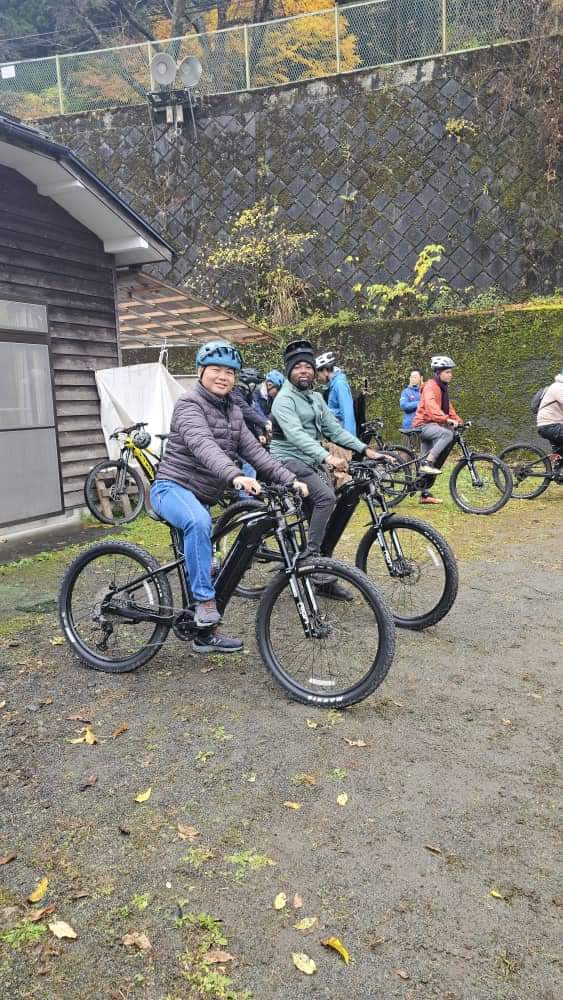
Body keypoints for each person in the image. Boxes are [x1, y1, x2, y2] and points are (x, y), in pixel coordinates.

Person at [150, 341, 307, 654]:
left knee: (216, 553)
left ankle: (203, 633)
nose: (223, 376)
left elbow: (254, 452)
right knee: (198, 521)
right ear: (201, 371)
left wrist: (290, 479)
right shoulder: (188, 404)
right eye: (216, 370)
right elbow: (203, 446)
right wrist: (234, 475)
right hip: (171, 487)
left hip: (202, 495)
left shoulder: (233, 410)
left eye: (229, 372)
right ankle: (205, 602)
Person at [270, 339, 392, 598]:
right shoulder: (284, 400)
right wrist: (327, 457)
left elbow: (333, 430)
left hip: (311, 460)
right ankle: (312, 561)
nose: (303, 371)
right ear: (289, 371)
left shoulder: (315, 397)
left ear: (314, 371)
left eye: (308, 366)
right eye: (297, 367)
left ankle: (322, 576)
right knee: (325, 499)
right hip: (288, 459)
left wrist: (365, 450)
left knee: (330, 505)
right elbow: (295, 436)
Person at [412, 355, 462, 505]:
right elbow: (431, 406)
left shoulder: (442, 389)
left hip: (432, 425)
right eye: (447, 372)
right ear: (439, 372)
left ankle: (424, 495)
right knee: (447, 434)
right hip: (423, 425)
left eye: (451, 372)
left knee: (422, 462)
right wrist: (446, 420)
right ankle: (428, 463)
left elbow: (449, 408)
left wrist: (459, 421)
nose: (450, 375)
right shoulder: (430, 386)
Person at [315, 351, 357, 434]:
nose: (319, 377)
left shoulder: (339, 384)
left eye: (319, 374)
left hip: (343, 434)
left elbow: (347, 413)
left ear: (325, 371)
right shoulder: (333, 384)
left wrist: (351, 440)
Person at [536, 367, 563, 468]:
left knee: (560, 453)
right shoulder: (558, 387)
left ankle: (558, 472)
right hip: (549, 426)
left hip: (555, 425)